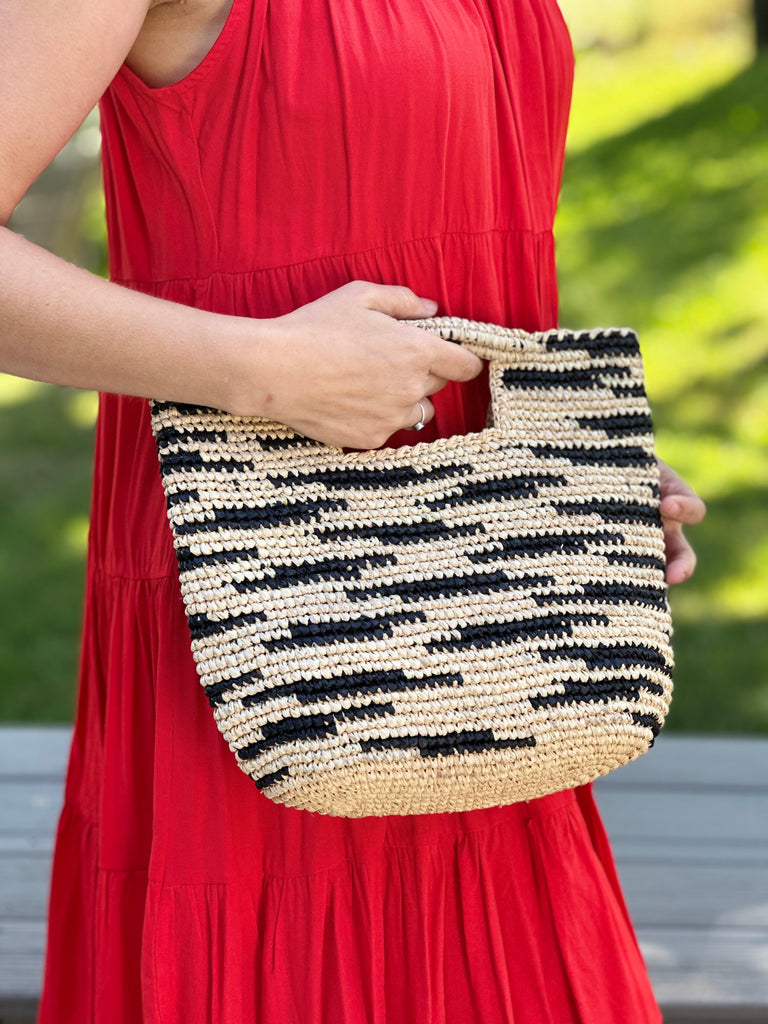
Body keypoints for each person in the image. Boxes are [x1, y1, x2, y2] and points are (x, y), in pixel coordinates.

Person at [2, 1, 706, 1021]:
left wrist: (555, 465)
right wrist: (266, 369)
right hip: (265, 611)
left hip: (488, 645)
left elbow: (462, 235)